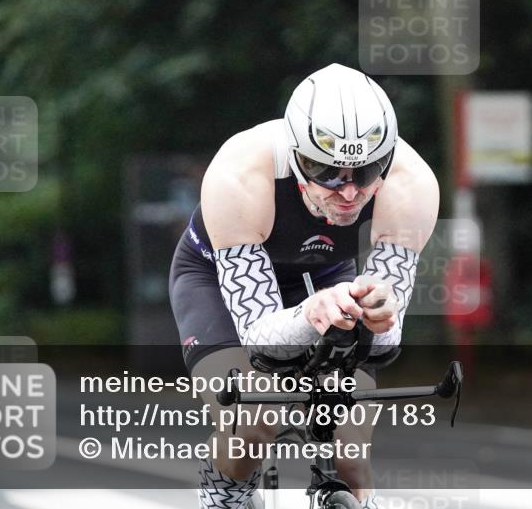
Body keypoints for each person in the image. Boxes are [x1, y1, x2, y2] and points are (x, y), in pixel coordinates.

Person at [168, 63, 440, 509]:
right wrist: (311, 313)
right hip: (217, 282)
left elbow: (385, 341)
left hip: (330, 278)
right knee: (254, 425)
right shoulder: (239, 173)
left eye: (367, 172)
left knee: (351, 456)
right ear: (296, 157)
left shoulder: (412, 185)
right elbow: (258, 334)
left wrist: (380, 311)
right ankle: (222, 498)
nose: (349, 193)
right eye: (327, 173)